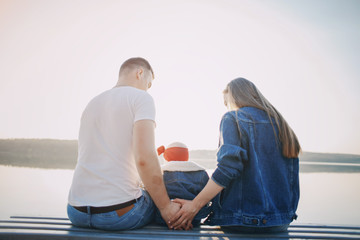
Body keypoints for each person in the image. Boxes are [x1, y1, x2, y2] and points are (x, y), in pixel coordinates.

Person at [169, 77, 300, 233]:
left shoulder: (233, 118)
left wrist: (195, 205)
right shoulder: (282, 125)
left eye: (226, 103)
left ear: (234, 98)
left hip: (243, 221)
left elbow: (228, 168)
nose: (227, 107)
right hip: (281, 222)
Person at [67, 57, 180, 231]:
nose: (147, 90)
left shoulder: (92, 103)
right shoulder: (141, 98)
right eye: (148, 84)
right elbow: (144, 158)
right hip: (117, 215)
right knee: (160, 200)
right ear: (140, 73)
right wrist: (166, 207)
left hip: (76, 212)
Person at [154, 142, 211, 226]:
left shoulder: (160, 172)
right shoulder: (201, 173)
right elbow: (208, 196)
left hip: (163, 218)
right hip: (193, 218)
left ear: (166, 156)